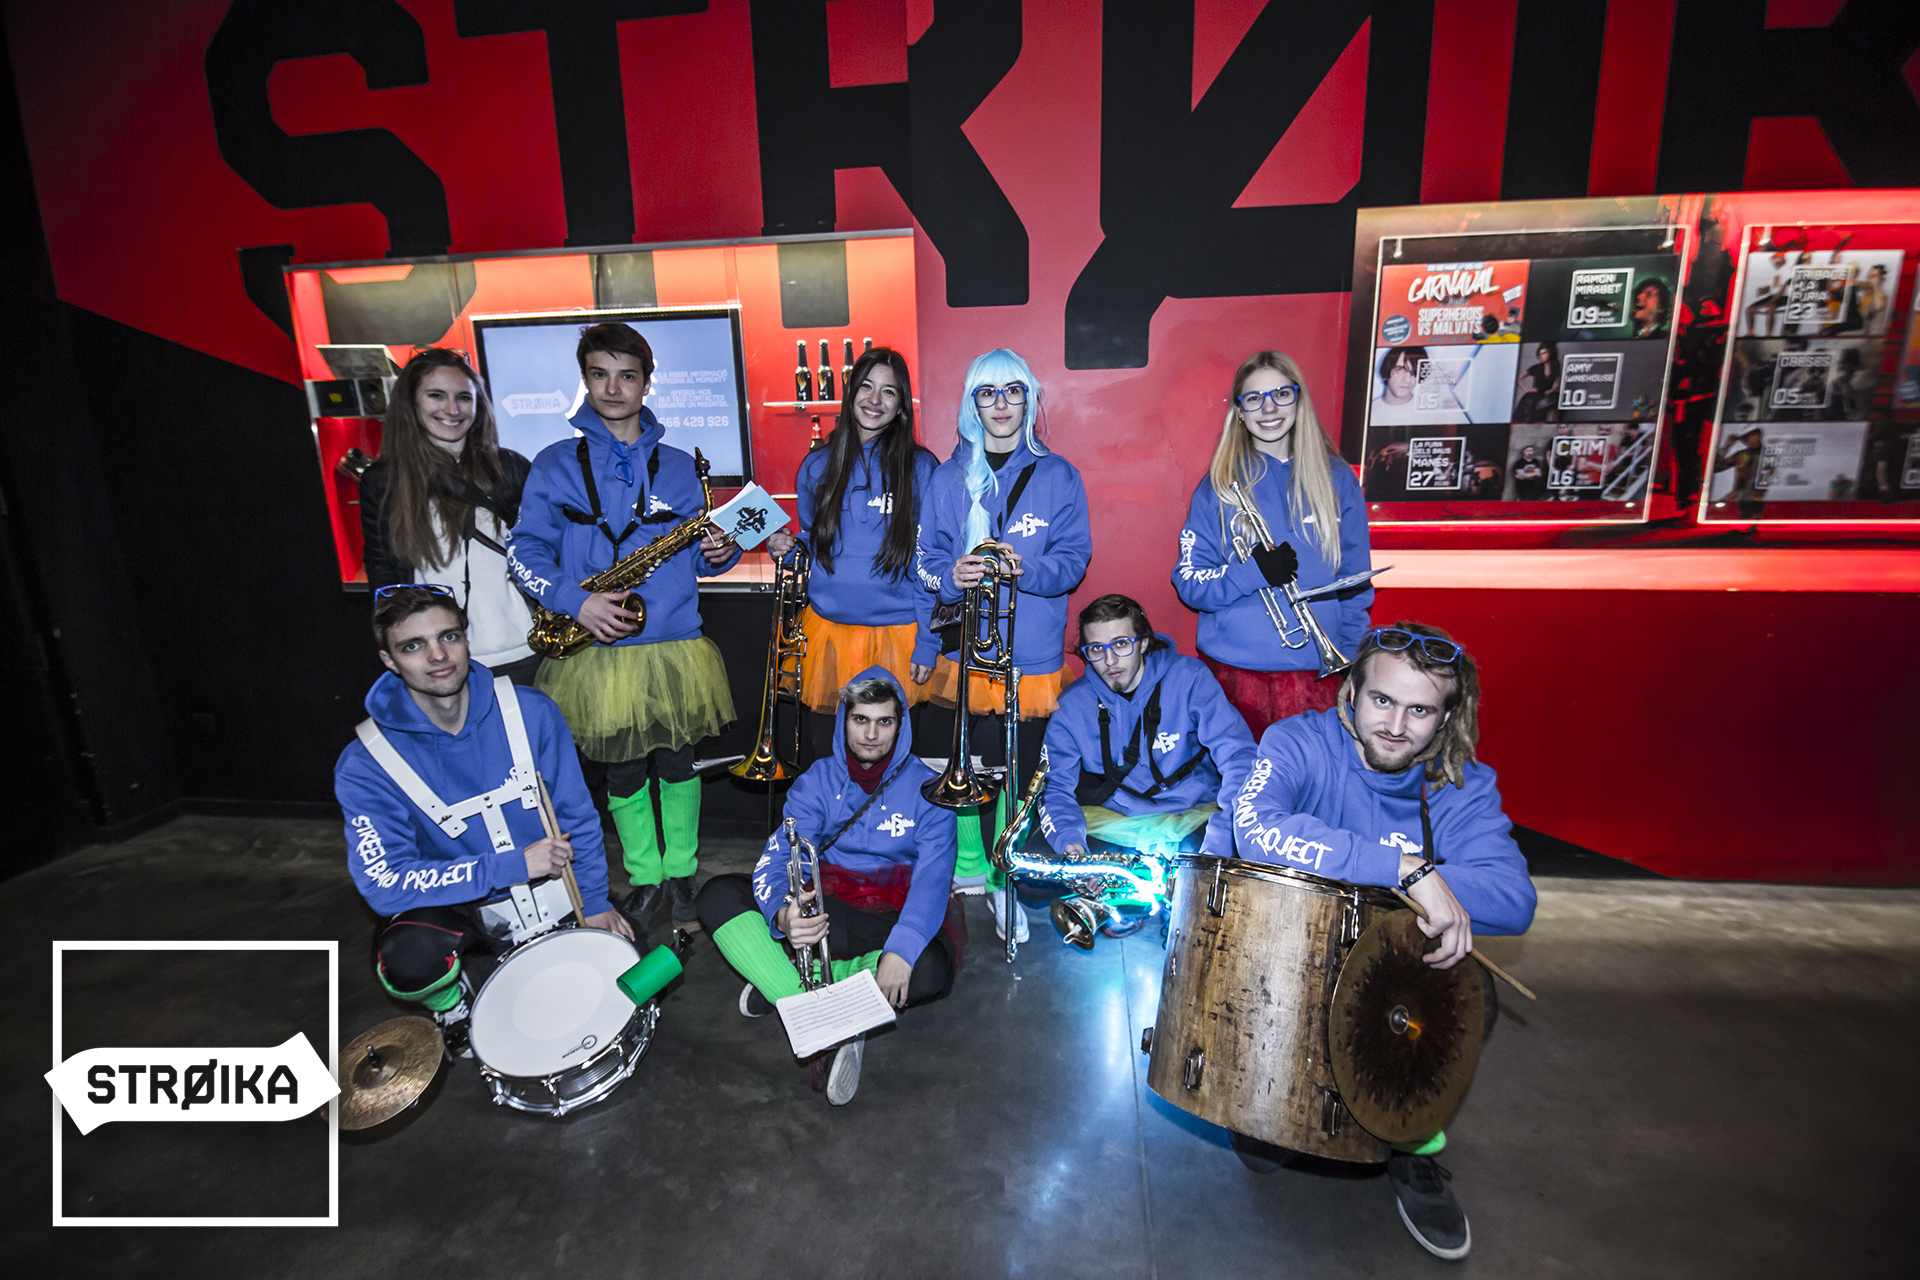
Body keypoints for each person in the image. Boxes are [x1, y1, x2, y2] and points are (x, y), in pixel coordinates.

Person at [1226, 622, 1536, 1260]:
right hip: (1294, 955)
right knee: (1263, 1139)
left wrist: (1429, 887)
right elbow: (1255, 829)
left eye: (1420, 710)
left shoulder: (1459, 783)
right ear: (1351, 693)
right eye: (1382, 700)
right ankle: (1276, 1101)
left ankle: (1410, 1142)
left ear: (1447, 716)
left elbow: (1513, 899)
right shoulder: (1298, 742)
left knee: (1471, 988)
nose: (1396, 726)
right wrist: (1403, 871)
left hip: (1396, 979)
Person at [508, 322, 740, 941]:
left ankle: (682, 874)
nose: (613, 388)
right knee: (623, 773)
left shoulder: (681, 467)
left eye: (627, 375)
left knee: (680, 765)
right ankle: (645, 878)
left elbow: (697, 557)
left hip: (674, 646)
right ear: (584, 379)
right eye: (599, 374)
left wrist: (719, 553)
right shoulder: (554, 463)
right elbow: (524, 551)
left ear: (646, 382)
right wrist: (575, 601)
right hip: (596, 648)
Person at [334, 585, 629, 1057]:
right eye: (413, 646)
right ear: (389, 661)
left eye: (449, 637)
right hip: (459, 904)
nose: (437, 656)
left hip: (551, 887)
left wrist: (594, 901)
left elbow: (577, 815)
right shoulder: (364, 763)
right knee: (408, 957)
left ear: (466, 639)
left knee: (629, 971)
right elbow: (384, 884)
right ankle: (451, 1006)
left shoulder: (531, 711)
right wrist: (510, 866)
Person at [695, 669, 959, 1106]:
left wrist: (901, 949)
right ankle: (828, 1013)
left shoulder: (931, 789)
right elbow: (781, 855)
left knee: (931, 968)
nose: (871, 734)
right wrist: (784, 915)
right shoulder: (816, 780)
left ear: (901, 725)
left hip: (886, 916)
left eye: (884, 721)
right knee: (718, 894)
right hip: (827, 910)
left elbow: (933, 877)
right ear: (843, 720)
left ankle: (784, 985)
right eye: (860, 720)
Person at [915, 348, 1091, 942]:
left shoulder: (1059, 475)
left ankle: (1001, 875)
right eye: (987, 393)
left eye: (1014, 391)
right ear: (972, 403)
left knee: (1016, 774)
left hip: (1031, 658)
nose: (1001, 405)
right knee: (965, 767)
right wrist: (950, 576)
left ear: (1030, 400)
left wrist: (1027, 570)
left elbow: (1075, 560)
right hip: (965, 654)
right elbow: (924, 561)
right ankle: (969, 867)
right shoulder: (946, 477)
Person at [1175, 351, 1373, 740]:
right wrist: (1252, 573)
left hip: (1319, 674)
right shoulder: (1218, 486)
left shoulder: (1338, 480)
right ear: (1239, 411)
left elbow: (1356, 581)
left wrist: (1351, 657)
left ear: (1299, 400)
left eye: (1281, 394)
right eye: (1254, 398)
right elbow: (1189, 582)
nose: (1269, 408)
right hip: (1235, 676)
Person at [1031, 594, 1254, 933]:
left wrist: (1221, 841)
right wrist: (1073, 848)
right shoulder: (1072, 705)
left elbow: (1240, 758)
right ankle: (1133, 901)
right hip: (1122, 822)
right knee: (1034, 872)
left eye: (1121, 644)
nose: (1109, 660)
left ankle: (1151, 903)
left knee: (1236, 851)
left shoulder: (1190, 678)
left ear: (1144, 642)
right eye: (1096, 649)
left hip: (1191, 817)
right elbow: (1055, 789)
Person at [764, 347, 936, 762]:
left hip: (899, 637)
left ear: (901, 405)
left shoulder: (921, 468)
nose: (875, 400)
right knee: (830, 757)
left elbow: (931, 560)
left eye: (889, 391)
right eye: (866, 387)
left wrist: (928, 643)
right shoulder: (817, 465)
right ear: (850, 393)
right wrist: (788, 546)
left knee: (895, 762)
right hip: (829, 637)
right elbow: (814, 540)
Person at [359, 348, 539, 684]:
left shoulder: (510, 468)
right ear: (410, 402)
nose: (452, 410)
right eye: (436, 396)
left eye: (463, 398)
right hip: (438, 661)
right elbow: (382, 568)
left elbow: (542, 551)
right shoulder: (384, 481)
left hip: (524, 648)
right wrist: (401, 642)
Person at [1369, 346, 1464, 424]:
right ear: (1386, 371)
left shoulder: (1432, 414)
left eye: (1414, 372)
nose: (1407, 379)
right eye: (1400, 370)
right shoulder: (1369, 412)